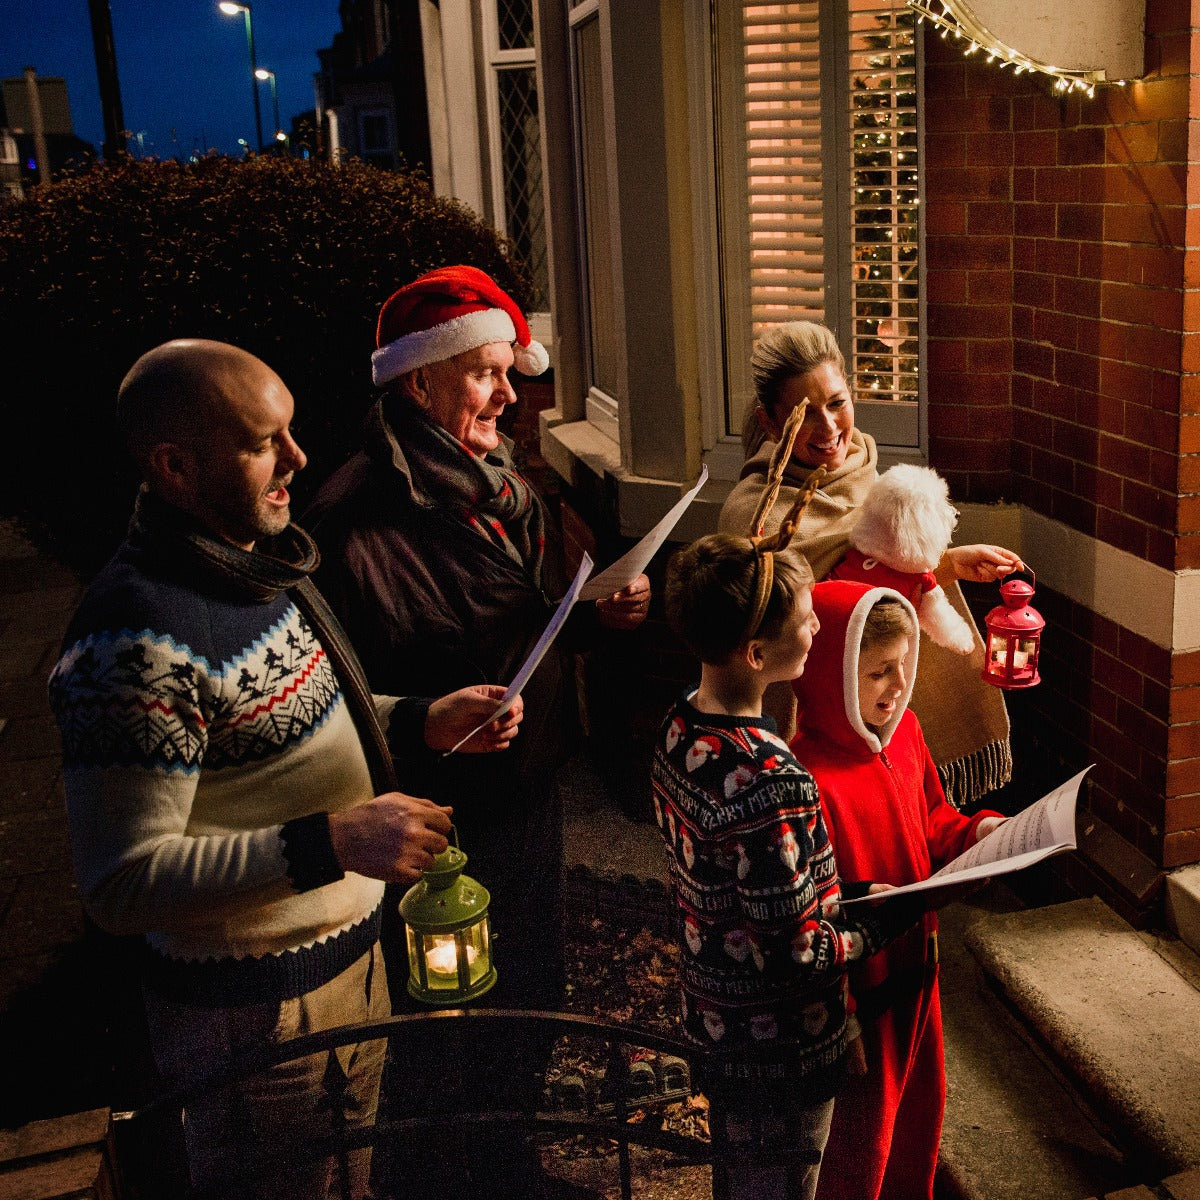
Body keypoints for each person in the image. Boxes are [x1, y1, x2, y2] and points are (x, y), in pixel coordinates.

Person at [46, 339, 524, 1200]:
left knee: (349, 1179)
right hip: (252, 1015)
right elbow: (120, 882)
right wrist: (335, 839)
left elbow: (292, 717)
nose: (299, 459)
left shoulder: (251, 566)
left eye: (292, 432)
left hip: (342, 965)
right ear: (175, 466)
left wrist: (418, 717)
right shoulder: (131, 643)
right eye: (266, 442)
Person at [303, 263, 650, 1191]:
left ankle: (510, 1158)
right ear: (418, 381)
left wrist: (594, 613)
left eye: (511, 370)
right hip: (436, 813)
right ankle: (442, 1173)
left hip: (522, 784)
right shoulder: (353, 517)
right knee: (445, 1013)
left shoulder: (503, 487)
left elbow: (518, 617)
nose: (511, 395)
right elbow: (335, 692)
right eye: (485, 373)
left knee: (533, 985)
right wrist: (423, 723)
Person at [653, 527, 923, 1200]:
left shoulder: (679, 728)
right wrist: (889, 918)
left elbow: (749, 889)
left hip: (715, 1020)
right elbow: (793, 951)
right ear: (756, 652)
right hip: (780, 1047)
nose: (814, 625)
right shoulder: (772, 776)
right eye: (803, 618)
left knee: (737, 1181)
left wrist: (845, 892)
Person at [717, 320, 1024, 810]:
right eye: (805, 414)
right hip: (810, 721)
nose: (829, 428)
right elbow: (829, 596)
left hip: (882, 696)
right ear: (771, 423)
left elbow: (876, 574)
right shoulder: (752, 514)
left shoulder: (866, 472)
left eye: (837, 403)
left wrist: (948, 564)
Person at [789, 581, 1007, 1200]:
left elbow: (934, 822)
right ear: (831, 673)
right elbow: (810, 914)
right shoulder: (808, 777)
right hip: (863, 993)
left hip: (920, 971)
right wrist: (843, 1021)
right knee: (861, 1146)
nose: (895, 686)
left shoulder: (907, 733)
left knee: (917, 1123)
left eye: (903, 668)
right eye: (877, 671)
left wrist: (982, 834)